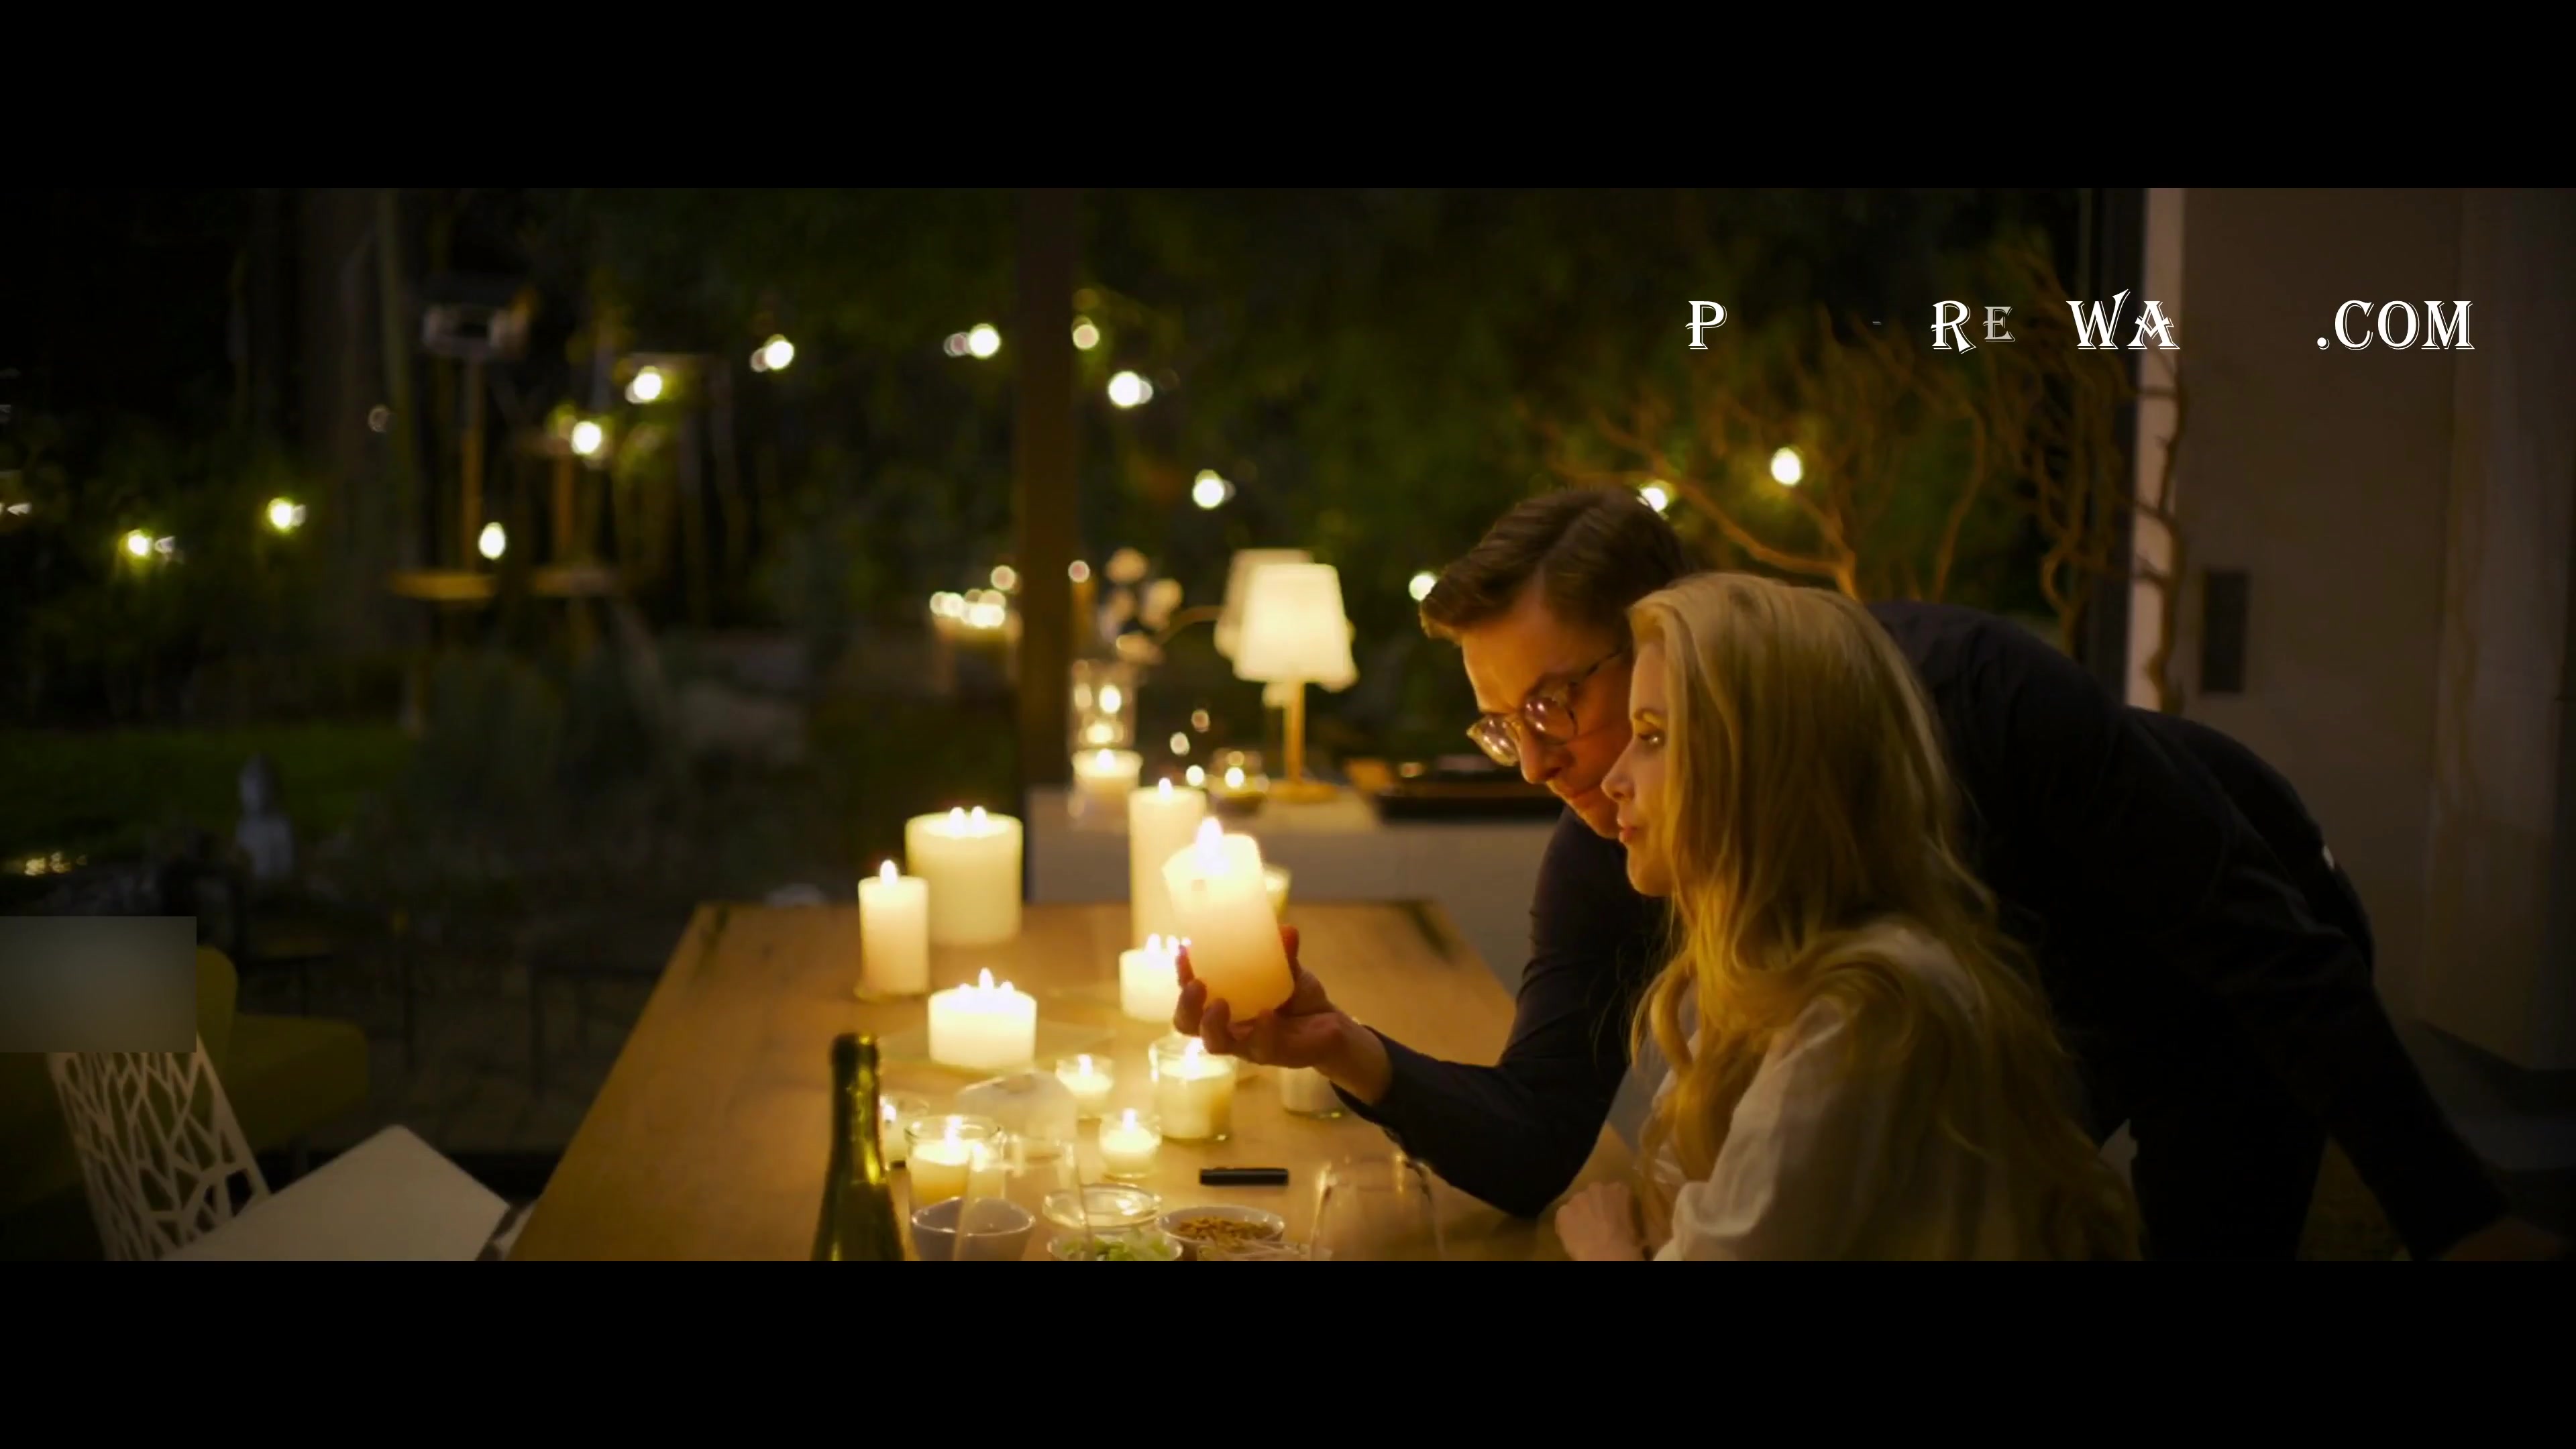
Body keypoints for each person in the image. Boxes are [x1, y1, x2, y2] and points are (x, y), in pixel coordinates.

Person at [1173, 487, 2559, 1261]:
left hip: (2208, 949)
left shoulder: (1976, 696)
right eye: (1499, 723)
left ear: (1674, 644)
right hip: (1976, 1008)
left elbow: (2268, 952)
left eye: (1558, 705)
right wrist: (1345, 1048)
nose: (1538, 764)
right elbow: (1542, 1130)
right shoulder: (1612, 837)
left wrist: (2465, 1221)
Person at [1544, 572, 2137, 1258]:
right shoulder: (1779, 975)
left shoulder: (1864, 1009)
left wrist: (1605, 1245)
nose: (1614, 780)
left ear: (1762, 762)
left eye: (1651, 736)